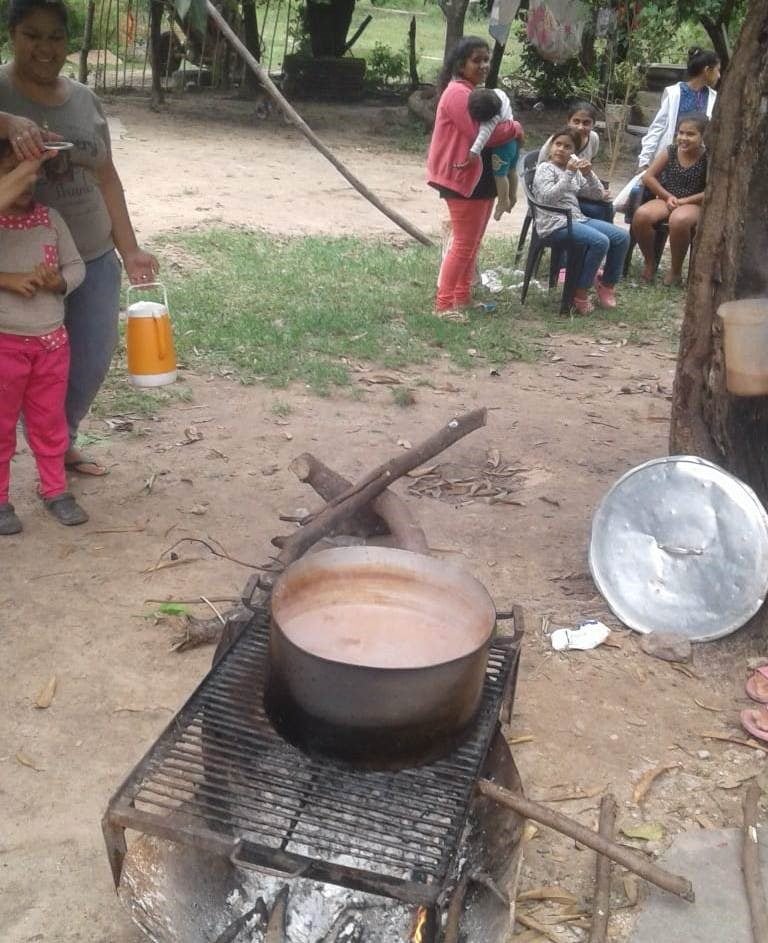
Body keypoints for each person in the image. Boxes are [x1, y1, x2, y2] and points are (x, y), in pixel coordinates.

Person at [0, 0, 158, 478]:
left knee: (89, 361)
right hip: (18, 269)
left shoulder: (86, 99)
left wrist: (129, 249)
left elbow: (107, 177)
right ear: (12, 35)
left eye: (55, 37)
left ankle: (59, 442)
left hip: (89, 255)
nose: (44, 48)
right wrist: (8, 123)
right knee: (12, 374)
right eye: (32, 35)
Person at [0, 140, 87, 534]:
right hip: (5, 344)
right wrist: (8, 280)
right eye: (14, 177)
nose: (25, 187)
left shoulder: (50, 219)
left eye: (31, 179)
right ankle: (1, 500)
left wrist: (59, 282)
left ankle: (54, 489)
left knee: (48, 421)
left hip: (52, 343)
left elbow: (76, 265)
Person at [426, 36, 523, 319]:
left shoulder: (473, 91)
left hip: (479, 177)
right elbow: (483, 135)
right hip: (461, 177)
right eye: (476, 60)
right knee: (465, 242)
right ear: (460, 64)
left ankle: (462, 297)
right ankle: (443, 305)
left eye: (486, 59)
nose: (483, 65)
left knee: (473, 241)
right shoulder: (457, 93)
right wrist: (516, 127)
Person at [533, 127, 629, 315]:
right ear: (551, 147)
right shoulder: (545, 169)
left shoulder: (574, 170)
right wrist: (568, 174)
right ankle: (580, 292)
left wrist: (588, 174)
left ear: (574, 152)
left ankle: (607, 284)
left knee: (621, 237)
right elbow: (546, 199)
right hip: (554, 224)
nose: (561, 149)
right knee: (600, 241)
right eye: (557, 144)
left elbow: (598, 194)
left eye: (567, 146)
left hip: (576, 219)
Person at [615, 47, 719, 211]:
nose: (719, 75)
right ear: (707, 70)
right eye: (717, 70)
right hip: (670, 158)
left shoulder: (713, 97)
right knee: (653, 203)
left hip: (697, 161)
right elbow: (658, 127)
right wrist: (644, 160)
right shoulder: (675, 93)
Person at [631, 113, 708, 285]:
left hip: (694, 202)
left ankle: (675, 271)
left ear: (703, 136)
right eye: (681, 133)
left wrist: (685, 201)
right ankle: (650, 262)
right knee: (641, 215)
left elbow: (712, 189)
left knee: (679, 220)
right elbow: (648, 177)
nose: (683, 138)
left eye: (690, 134)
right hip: (668, 198)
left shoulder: (708, 156)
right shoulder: (671, 150)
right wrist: (668, 196)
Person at [537, 102, 612, 222]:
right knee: (597, 210)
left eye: (586, 123)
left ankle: (608, 236)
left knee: (607, 205)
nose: (580, 127)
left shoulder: (593, 138)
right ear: (568, 122)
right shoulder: (556, 142)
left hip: (578, 188)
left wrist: (598, 190)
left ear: (593, 124)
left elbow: (587, 168)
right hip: (559, 197)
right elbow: (541, 177)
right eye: (576, 121)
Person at [464, 88, 520, 221]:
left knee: (500, 175)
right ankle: (513, 196)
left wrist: (473, 152)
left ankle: (502, 201)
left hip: (502, 147)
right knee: (512, 170)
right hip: (513, 142)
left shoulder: (492, 119)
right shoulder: (500, 94)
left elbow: (483, 136)